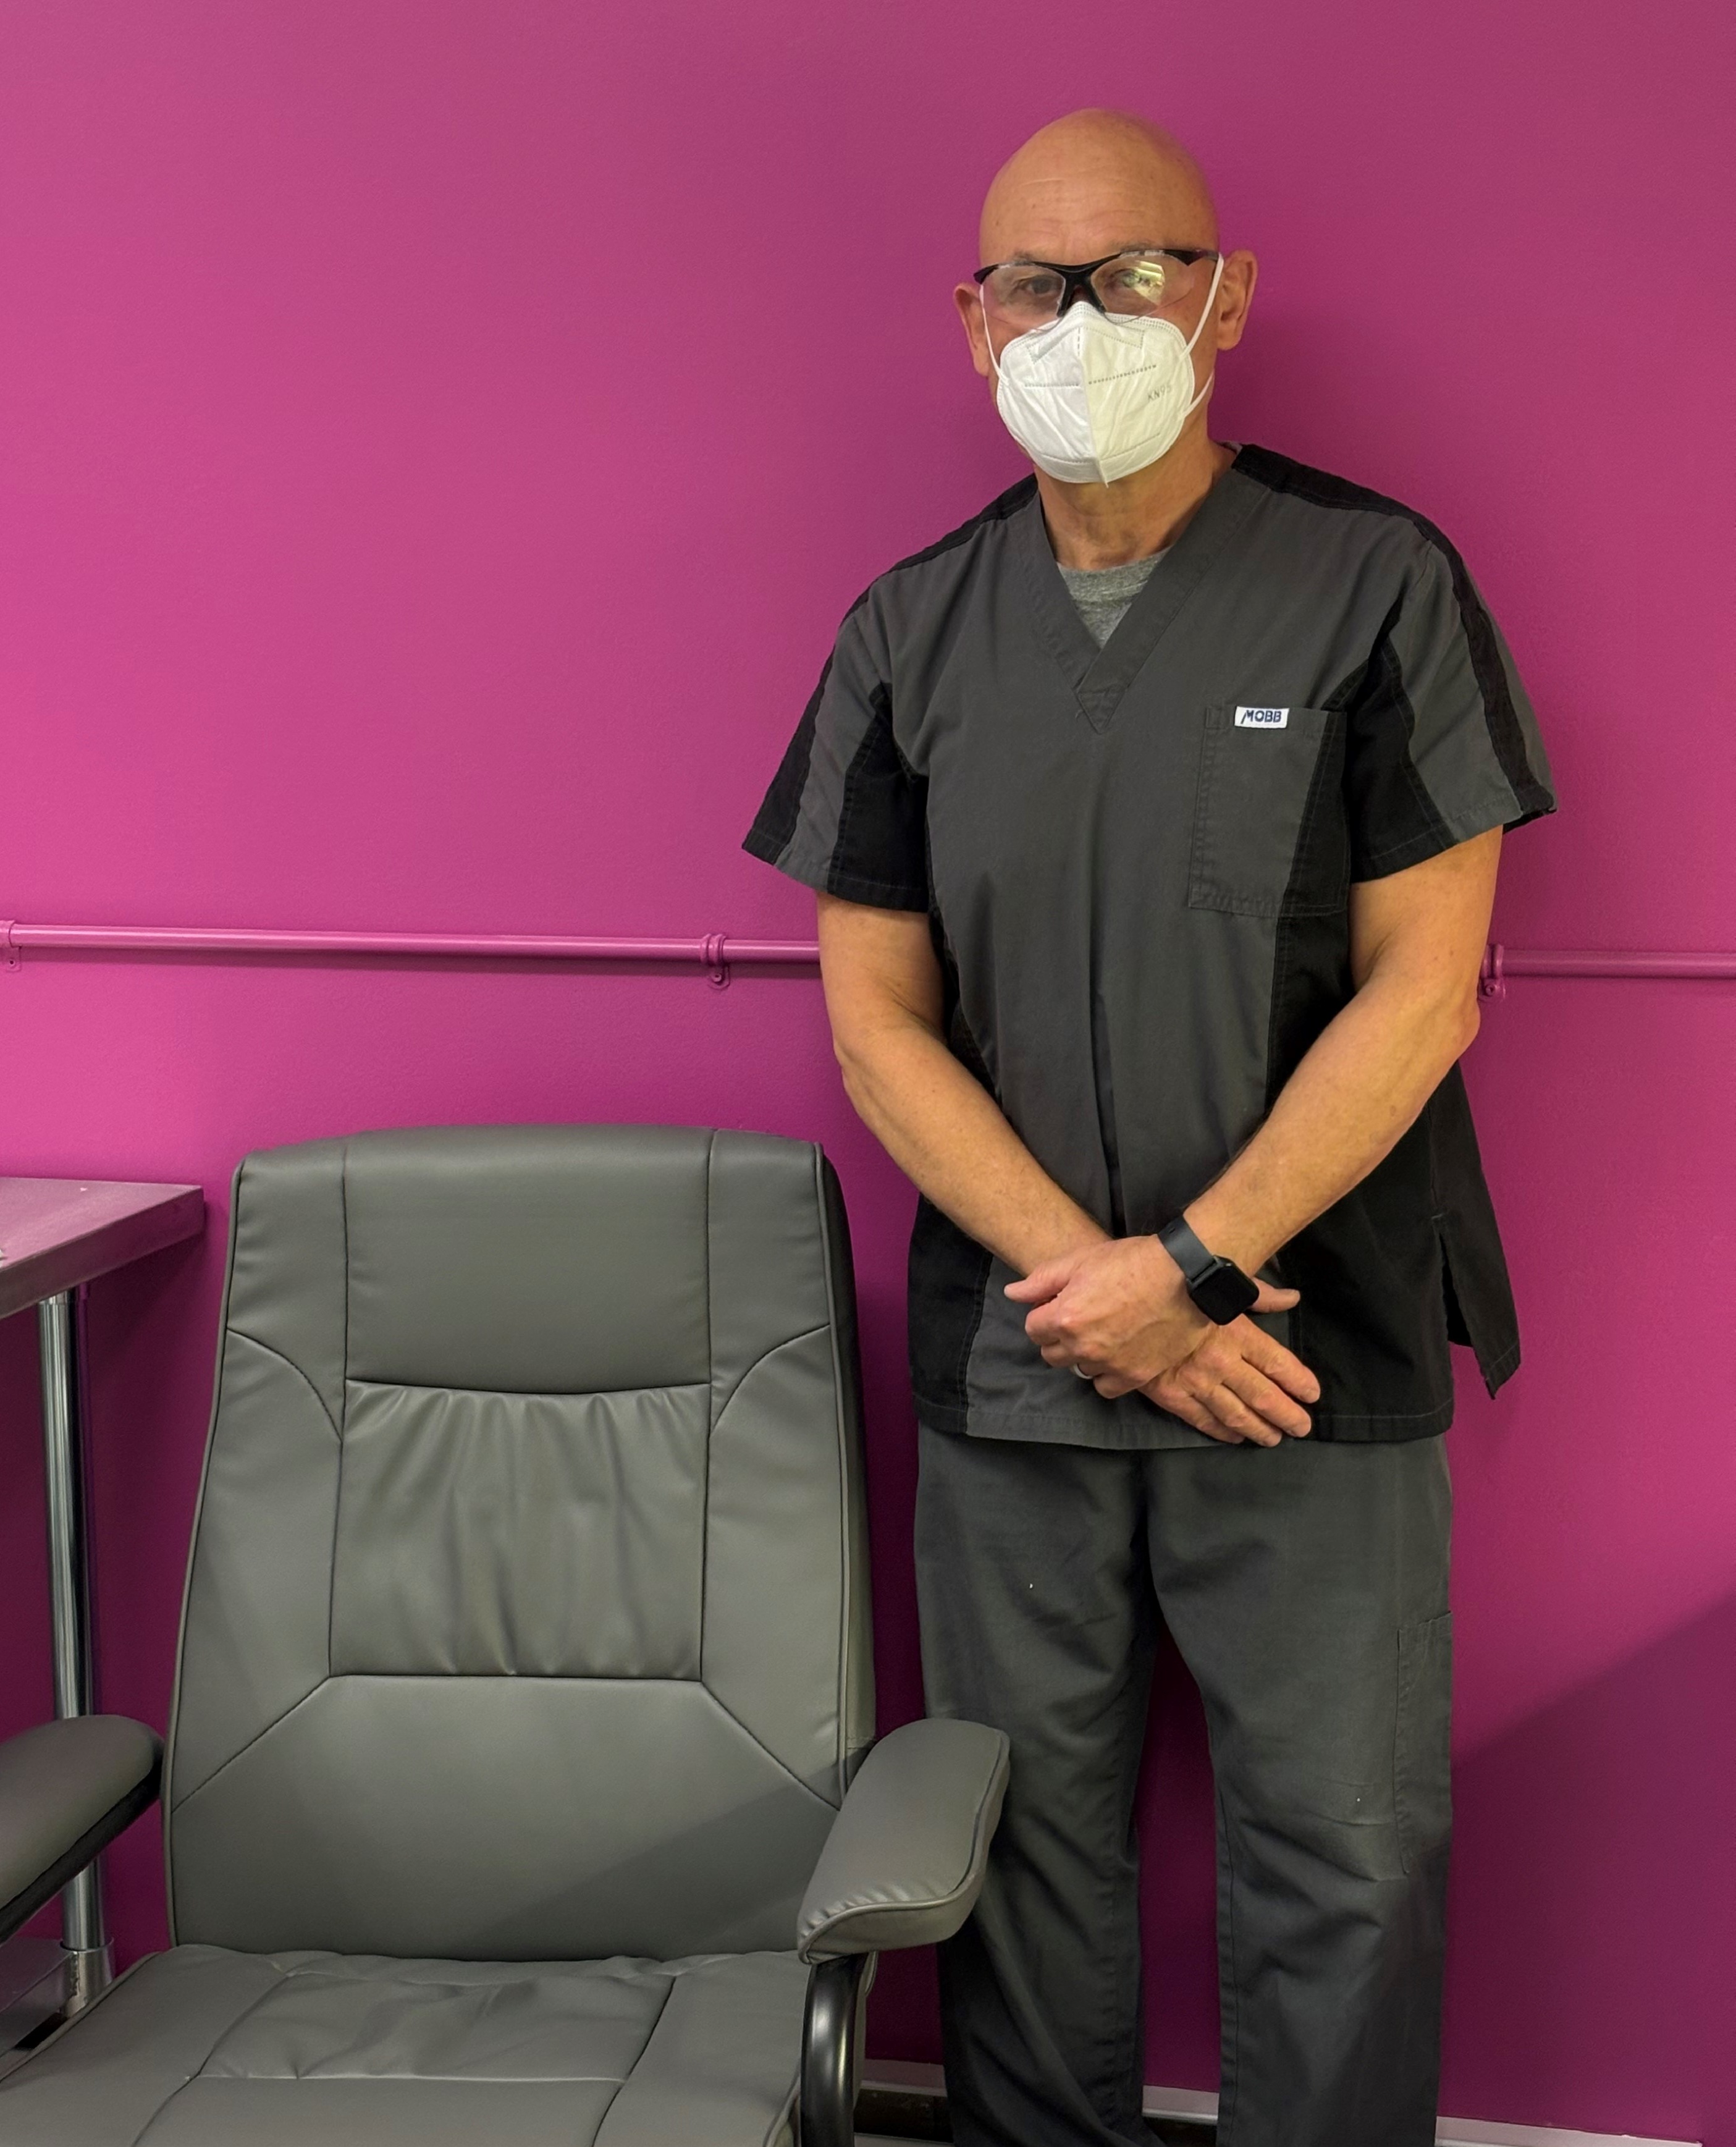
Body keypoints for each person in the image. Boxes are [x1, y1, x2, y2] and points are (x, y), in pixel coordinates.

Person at [745, 108, 1554, 2147]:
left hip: (1305, 1344)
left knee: (1345, 1857)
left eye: (1130, 272)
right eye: (1035, 278)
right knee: (1014, 1862)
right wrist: (1094, 1293)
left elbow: (1427, 987)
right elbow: (874, 1018)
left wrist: (1187, 1280)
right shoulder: (907, 632)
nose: (1080, 317)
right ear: (972, 316)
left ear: (1223, 295)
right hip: (1019, 1360)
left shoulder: (1373, 584)